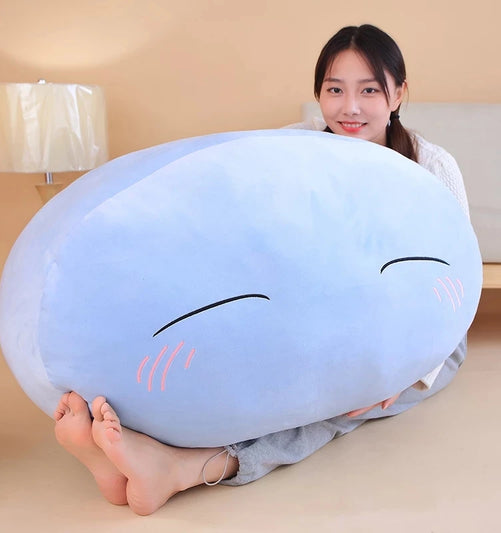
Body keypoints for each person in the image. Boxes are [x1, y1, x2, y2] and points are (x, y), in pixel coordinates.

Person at [53, 24, 470, 515]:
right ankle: (134, 439)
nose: (350, 108)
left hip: (415, 334)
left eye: (369, 90)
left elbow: (454, 281)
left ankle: (193, 465)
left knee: (334, 407)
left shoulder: (430, 166)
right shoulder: (292, 148)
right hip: (316, 314)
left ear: (398, 94)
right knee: (253, 373)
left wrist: (400, 372)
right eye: (335, 90)